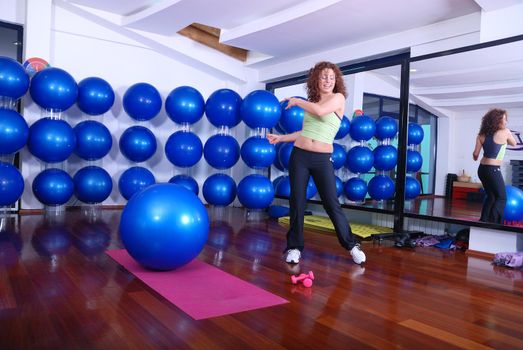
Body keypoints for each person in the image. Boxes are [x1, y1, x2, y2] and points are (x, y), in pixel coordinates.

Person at [267, 61, 366, 265]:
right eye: (323, 77)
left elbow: (321, 112)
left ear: (336, 80)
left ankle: (351, 245)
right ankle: (294, 247)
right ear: (316, 80)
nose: (327, 80)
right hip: (300, 155)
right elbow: (304, 131)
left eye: (331, 77)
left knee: (331, 203)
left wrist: (296, 101)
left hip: (322, 159)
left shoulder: (338, 98)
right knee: (297, 201)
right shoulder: (312, 101)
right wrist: (281, 138)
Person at [473, 108, 517, 224]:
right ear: (497, 121)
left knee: (491, 196)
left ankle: (484, 220)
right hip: (493, 170)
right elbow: (514, 143)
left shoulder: (481, 135)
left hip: (482, 169)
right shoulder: (506, 132)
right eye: (504, 119)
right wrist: (507, 136)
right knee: (501, 198)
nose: (506, 122)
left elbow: (475, 155)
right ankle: (494, 224)